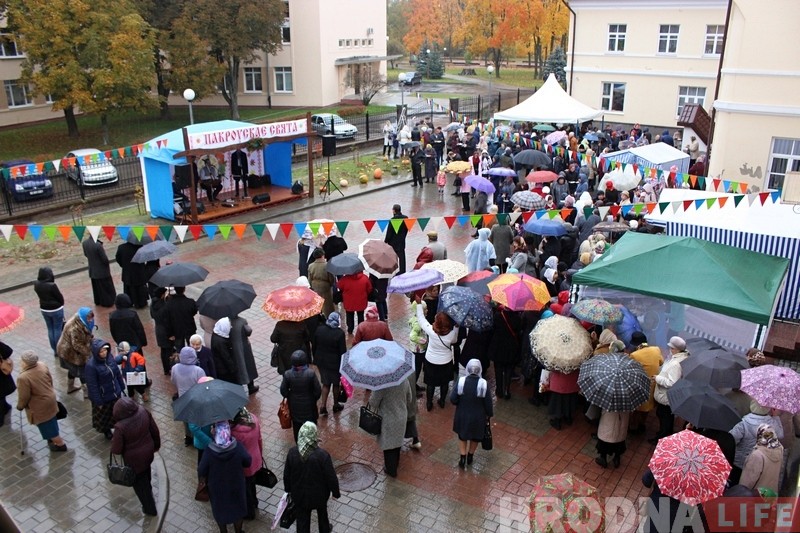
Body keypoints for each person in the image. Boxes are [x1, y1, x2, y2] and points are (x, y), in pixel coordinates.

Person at [284, 422, 340, 533]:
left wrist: (288, 489)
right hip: (319, 496)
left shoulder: (292, 453)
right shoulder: (322, 456)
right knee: (322, 514)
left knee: (302, 520)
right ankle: (324, 529)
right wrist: (335, 493)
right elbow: (331, 477)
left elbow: (287, 475)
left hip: (299, 495)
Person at [110, 397, 161, 516]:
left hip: (134, 462)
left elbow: (116, 450)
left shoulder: (120, 427)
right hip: (148, 453)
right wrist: (156, 445)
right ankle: (148, 492)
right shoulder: (143, 411)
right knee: (146, 476)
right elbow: (154, 430)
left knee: (140, 485)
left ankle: (149, 509)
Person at [198, 421, 252, 533]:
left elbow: (201, 469)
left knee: (220, 511)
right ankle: (238, 531)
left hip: (217, 489)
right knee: (238, 511)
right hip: (236, 486)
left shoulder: (209, 451)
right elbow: (248, 461)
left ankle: (223, 531)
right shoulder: (237, 447)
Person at [15, 350, 67, 451]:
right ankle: (54, 439)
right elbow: (50, 380)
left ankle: (60, 444)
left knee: (47, 427)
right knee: (52, 420)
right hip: (50, 398)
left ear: (25, 362)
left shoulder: (23, 377)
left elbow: (24, 396)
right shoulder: (42, 365)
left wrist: (20, 406)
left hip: (39, 407)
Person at [415, 298, 459, 411]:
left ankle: (429, 403)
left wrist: (419, 304)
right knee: (444, 383)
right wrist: (457, 327)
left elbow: (421, 319)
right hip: (446, 361)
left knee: (430, 383)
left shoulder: (431, 331)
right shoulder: (452, 334)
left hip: (431, 361)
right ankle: (442, 401)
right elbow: (454, 341)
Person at [450, 359, 493, 468]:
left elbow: (453, 399)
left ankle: (462, 457)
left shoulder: (461, 381)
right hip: (478, 417)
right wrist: (489, 415)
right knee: (475, 437)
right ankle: (470, 455)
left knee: (462, 436)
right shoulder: (484, 384)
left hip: (463, 415)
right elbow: (488, 404)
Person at [370, 378, 414, 477]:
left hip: (387, 418)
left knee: (388, 444)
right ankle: (395, 464)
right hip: (402, 416)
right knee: (398, 441)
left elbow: (373, 402)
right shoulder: (404, 379)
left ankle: (391, 469)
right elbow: (409, 398)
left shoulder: (382, 382)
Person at [650, 336, 690, 444]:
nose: (669, 349)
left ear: (677, 349)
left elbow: (672, 382)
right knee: (664, 416)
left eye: (671, 348)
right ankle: (662, 436)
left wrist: (658, 378)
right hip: (667, 397)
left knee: (665, 418)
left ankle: (662, 439)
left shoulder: (676, 364)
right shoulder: (677, 358)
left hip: (666, 397)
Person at [85, 338, 126, 440]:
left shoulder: (110, 358)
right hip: (104, 397)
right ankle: (106, 431)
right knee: (105, 417)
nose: (104, 353)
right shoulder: (91, 366)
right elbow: (92, 385)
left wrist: (121, 386)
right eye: (101, 351)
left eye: (105, 350)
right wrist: (98, 402)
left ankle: (118, 430)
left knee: (117, 414)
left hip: (115, 393)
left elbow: (117, 373)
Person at [730, 400, 784, 476]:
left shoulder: (744, 423)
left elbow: (732, 439)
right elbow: (780, 435)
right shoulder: (772, 423)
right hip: (762, 461)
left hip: (741, 462)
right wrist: (776, 416)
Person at [280, 350, 322, 442]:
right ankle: (311, 443)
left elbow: (283, 391)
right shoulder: (311, 373)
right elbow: (318, 391)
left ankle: (299, 445)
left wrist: (290, 396)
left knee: (297, 427)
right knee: (311, 427)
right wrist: (313, 398)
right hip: (310, 406)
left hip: (295, 407)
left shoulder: (288, 374)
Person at [628, 332, 664, 434]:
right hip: (653, 384)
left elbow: (630, 369)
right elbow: (661, 362)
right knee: (647, 408)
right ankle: (642, 424)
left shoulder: (634, 355)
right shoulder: (656, 349)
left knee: (637, 408)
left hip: (640, 386)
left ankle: (633, 427)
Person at [230, 408, 262, 521]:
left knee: (245, 487)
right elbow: (259, 439)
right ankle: (255, 502)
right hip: (256, 458)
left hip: (244, 464)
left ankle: (249, 512)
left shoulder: (234, 432)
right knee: (252, 483)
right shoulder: (254, 419)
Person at [312, 312, 347, 417]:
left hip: (321, 361)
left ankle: (323, 405)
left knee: (326, 383)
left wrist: (315, 357)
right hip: (335, 363)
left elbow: (314, 346)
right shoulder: (339, 333)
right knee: (336, 384)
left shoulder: (319, 329)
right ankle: (336, 404)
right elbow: (343, 352)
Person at [56, 307, 95, 397]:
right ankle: (86, 392)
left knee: (72, 369)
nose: (90, 320)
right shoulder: (74, 328)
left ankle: (70, 387)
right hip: (69, 352)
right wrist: (89, 352)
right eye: (89, 318)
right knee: (82, 371)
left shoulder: (81, 320)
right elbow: (77, 345)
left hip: (70, 351)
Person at [739, 424, 784, 495]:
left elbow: (747, 481)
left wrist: (740, 494)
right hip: (771, 494)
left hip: (756, 496)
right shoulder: (780, 448)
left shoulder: (757, 455)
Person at [33, 266, 65, 358]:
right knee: (57, 329)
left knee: (50, 329)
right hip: (56, 309)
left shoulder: (36, 284)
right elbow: (59, 297)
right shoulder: (52, 285)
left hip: (44, 309)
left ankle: (55, 350)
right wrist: (61, 303)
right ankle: (59, 349)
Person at [81, 237, 116, 307]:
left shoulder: (85, 243)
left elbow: (86, 254)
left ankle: (98, 301)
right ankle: (108, 302)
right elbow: (105, 259)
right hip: (102, 271)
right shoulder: (98, 245)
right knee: (106, 287)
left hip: (93, 269)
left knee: (96, 288)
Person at [115, 238, 149, 309]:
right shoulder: (140, 247)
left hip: (128, 273)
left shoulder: (121, 247)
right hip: (139, 272)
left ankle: (131, 302)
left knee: (130, 289)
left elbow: (118, 258)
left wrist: (123, 265)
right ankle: (141, 302)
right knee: (140, 288)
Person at [229, 315, 259, 395]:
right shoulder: (242, 321)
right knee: (248, 365)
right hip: (244, 346)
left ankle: (239, 388)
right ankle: (251, 387)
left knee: (237, 367)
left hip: (232, 348)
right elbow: (248, 331)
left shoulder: (227, 322)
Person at [336, 270, 372, 335]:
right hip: (361, 301)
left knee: (349, 316)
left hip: (348, 302)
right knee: (360, 315)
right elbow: (369, 289)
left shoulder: (345, 279)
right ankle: (361, 329)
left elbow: (339, 286)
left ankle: (350, 329)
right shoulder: (365, 278)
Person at [164, 286, 198, 352]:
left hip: (176, 330)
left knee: (179, 350)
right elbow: (194, 311)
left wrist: (169, 334)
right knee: (193, 348)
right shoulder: (190, 301)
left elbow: (167, 320)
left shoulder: (169, 304)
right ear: (184, 289)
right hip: (190, 328)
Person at [150, 287, 174, 375]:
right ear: (162, 295)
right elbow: (167, 322)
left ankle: (165, 369)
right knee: (169, 350)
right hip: (166, 331)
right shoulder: (165, 307)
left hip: (158, 330)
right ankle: (170, 367)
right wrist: (171, 334)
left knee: (163, 350)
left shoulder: (153, 304)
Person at [307, 248, 335, 316]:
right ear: (322, 255)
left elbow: (309, 279)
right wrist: (330, 285)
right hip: (325, 287)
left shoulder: (311, 266)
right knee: (327, 306)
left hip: (315, 286)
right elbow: (331, 279)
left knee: (317, 305)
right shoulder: (327, 265)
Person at [384, 204, 409, 274]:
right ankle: (403, 271)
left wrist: (386, 241)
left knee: (392, 258)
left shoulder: (393, 220)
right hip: (401, 242)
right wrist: (403, 236)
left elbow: (389, 233)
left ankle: (393, 271)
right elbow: (407, 229)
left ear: (394, 211)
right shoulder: (406, 218)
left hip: (393, 243)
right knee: (402, 258)